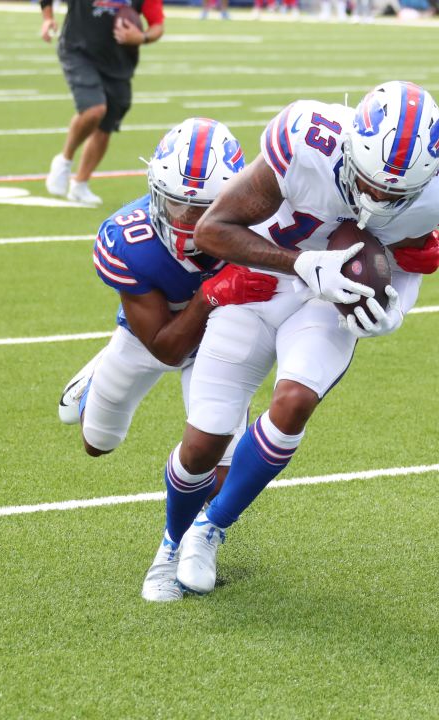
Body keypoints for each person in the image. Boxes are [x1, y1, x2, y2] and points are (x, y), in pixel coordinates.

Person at [148, 81, 439, 598]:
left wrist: (395, 310)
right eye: (369, 184)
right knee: (205, 437)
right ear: (349, 148)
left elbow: (413, 258)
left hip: (329, 300)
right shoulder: (305, 140)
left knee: (295, 399)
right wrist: (300, 262)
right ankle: (170, 540)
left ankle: (209, 530)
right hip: (262, 282)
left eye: (395, 194)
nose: (377, 199)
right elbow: (213, 229)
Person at [54, 119, 279, 601]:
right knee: (97, 443)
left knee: (219, 468)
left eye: (201, 207)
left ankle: (179, 545)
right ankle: (97, 378)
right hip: (152, 336)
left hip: (220, 341)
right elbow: (166, 347)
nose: (183, 217)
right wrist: (213, 292)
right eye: (175, 200)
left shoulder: (260, 229)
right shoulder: (128, 238)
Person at [40, 0, 166, 206]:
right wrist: (47, 18)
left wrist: (141, 37)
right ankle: (65, 159)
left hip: (119, 60)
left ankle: (80, 184)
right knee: (94, 110)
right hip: (78, 51)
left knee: (106, 125)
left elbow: (158, 25)